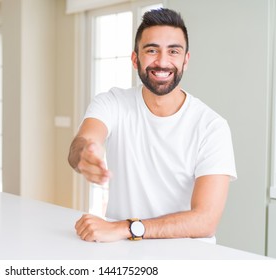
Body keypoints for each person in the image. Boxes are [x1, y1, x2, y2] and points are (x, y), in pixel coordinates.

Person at [68, 8, 237, 243]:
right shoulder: (113, 102)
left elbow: (205, 221)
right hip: (123, 252)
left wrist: (127, 228)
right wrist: (85, 153)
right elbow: (83, 142)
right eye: (151, 50)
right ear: (135, 58)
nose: (162, 61)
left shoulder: (212, 127)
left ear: (185, 60)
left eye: (173, 51)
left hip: (188, 258)